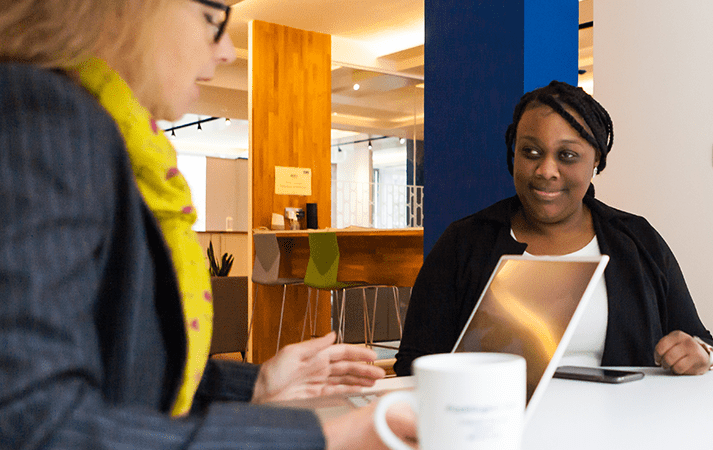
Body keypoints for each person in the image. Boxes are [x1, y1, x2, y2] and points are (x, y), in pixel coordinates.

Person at [0, 1, 416, 449]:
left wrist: (255, 385)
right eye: (212, 17)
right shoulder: (42, 115)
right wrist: (329, 437)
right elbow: (31, 422)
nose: (228, 52)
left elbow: (124, 374)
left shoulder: (114, 140)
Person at [394, 81, 713, 377]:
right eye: (531, 152)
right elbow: (413, 362)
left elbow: (704, 346)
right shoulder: (464, 243)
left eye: (567, 155)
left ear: (595, 161)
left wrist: (699, 354)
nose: (546, 170)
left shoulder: (637, 240)